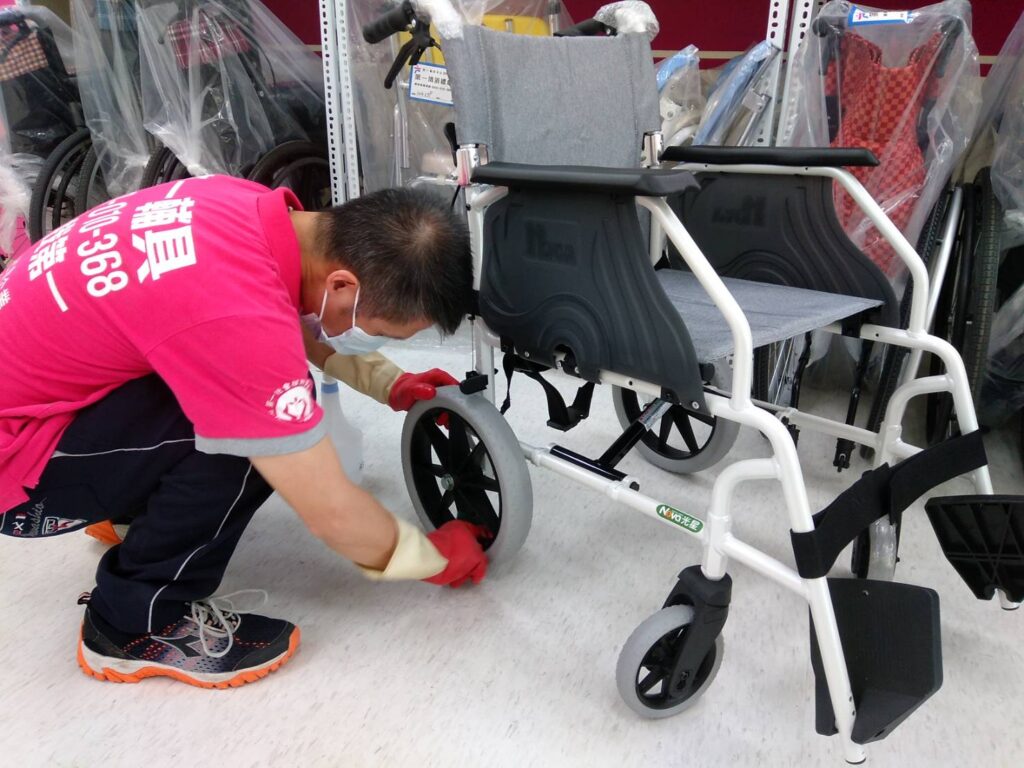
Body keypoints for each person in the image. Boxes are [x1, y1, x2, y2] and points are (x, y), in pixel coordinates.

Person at [0, 175, 489, 688]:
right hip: (20, 473)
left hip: (44, 404)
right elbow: (329, 509)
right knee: (258, 431)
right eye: (381, 333)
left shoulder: (241, 205)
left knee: (257, 393)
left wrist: (388, 382)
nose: (372, 340)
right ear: (343, 285)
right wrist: (432, 558)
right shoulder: (234, 306)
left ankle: (134, 512)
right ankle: (132, 622)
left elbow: (279, 316)